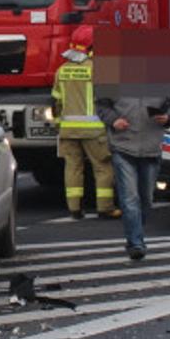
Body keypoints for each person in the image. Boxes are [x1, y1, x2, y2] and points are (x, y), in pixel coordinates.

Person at [98, 86, 170, 262]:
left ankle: (136, 234)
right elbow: (101, 105)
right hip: (122, 145)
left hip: (151, 148)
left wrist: (168, 118)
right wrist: (113, 120)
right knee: (130, 198)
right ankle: (135, 243)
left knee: (145, 199)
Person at [51, 26, 117, 219]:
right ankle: (105, 208)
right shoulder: (98, 69)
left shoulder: (61, 70)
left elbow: (56, 102)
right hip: (94, 131)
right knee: (103, 167)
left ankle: (75, 209)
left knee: (72, 168)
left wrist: (58, 124)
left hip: (67, 131)